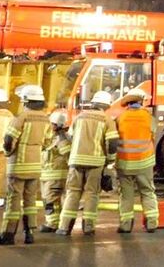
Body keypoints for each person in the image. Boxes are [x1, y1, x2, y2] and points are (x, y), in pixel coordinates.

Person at [0, 85, 50, 245]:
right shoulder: (46, 119)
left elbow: (9, 140)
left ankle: (8, 234)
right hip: (35, 165)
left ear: (25, 100)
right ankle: (29, 232)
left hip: (18, 164)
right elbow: (48, 141)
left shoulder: (21, 118)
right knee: (30, 200)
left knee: (13, 199)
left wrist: (8, 153)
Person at [57, 91, 118, 236]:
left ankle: (64, 227)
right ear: (107, 105)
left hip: (76, 160)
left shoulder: (79, 117)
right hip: (95, 161)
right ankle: (88, 227)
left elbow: (70, 137)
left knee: (72, 192)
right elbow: (112, 143)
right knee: (92, 194)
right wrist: (110, 160)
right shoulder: (107, 120)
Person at [114, 88, 159, 233]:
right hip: (144, 162)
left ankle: (126, 225)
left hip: (124, 163)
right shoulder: (148, 117)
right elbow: (153, 134)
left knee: (126, 195)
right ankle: (151, 223)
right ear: (140, 101)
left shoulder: (120, 118)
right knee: (147, 192)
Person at [40, 109, 71, 232]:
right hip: (49, 175)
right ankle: (55, 222)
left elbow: (67, 153)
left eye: (52, 124)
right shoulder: (54, 138)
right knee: (52, 200)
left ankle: (52, 224)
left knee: (50, 200)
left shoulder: (62, 139)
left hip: (56, 175)